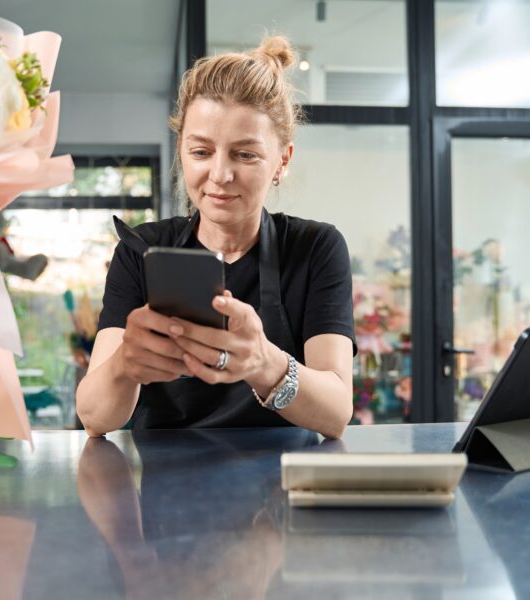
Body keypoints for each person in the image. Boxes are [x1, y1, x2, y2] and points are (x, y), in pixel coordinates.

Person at [76, 36, 356, 439]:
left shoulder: (315, 249)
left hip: (283, 486)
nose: (220, 175)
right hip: (168, 490)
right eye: (201, 152)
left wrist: (263, 363)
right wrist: (125, 365)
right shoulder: (141, 251)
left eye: (245, 155)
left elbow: (335, 414)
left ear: (282, 161)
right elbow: (95, 419)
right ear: (181, 151)